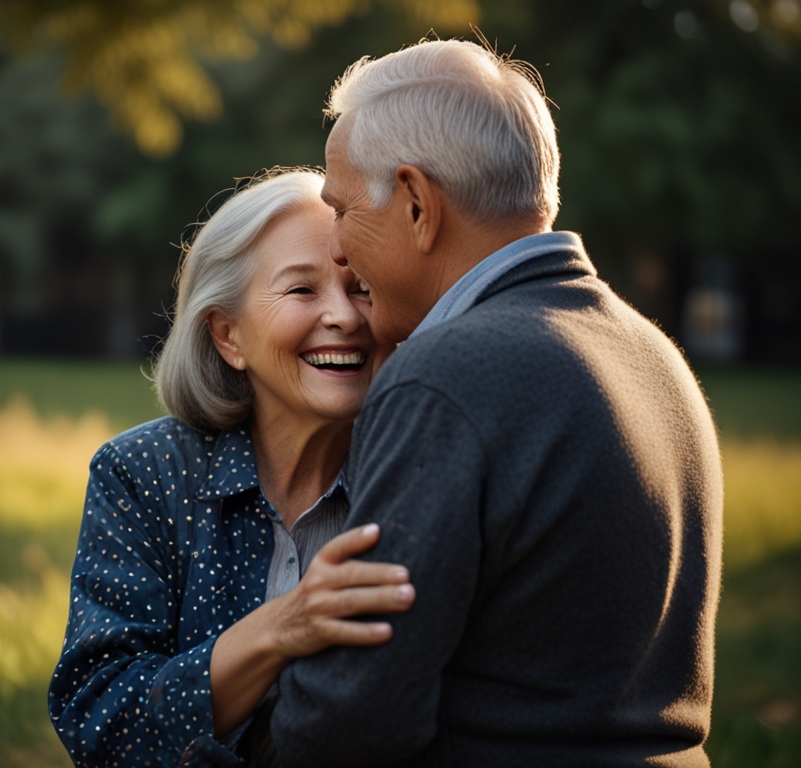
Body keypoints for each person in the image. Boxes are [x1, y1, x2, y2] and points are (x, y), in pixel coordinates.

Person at [269, 39, 723, 767]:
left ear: (417, 205)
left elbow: (356, 715)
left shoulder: (443, 376)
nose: (340, 254)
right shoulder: (653, 355)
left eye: (344, 211)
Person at [48, 169, 411, 767]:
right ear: (227, 335)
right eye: (302, 291)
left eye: (361, 288)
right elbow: (100, 718)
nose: (344, 316)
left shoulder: (414, 474)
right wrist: (283, 628)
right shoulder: (144, 473)